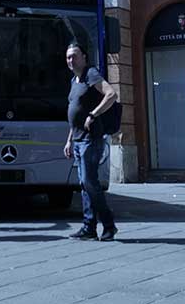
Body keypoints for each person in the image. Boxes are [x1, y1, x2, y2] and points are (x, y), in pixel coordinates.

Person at [63, 44, 119, 241]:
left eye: (74, 57)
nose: (71, 61)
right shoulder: (74, 81)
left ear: (84, 57)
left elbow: (111, 94)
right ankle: (88, 227)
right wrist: (69, 141)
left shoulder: (91, 74)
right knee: (84, 185)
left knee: (90, 183)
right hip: (78, 141)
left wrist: (93, 114)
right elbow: (75, 113)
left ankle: (109, 225)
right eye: (68, 57)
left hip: (90, 139)